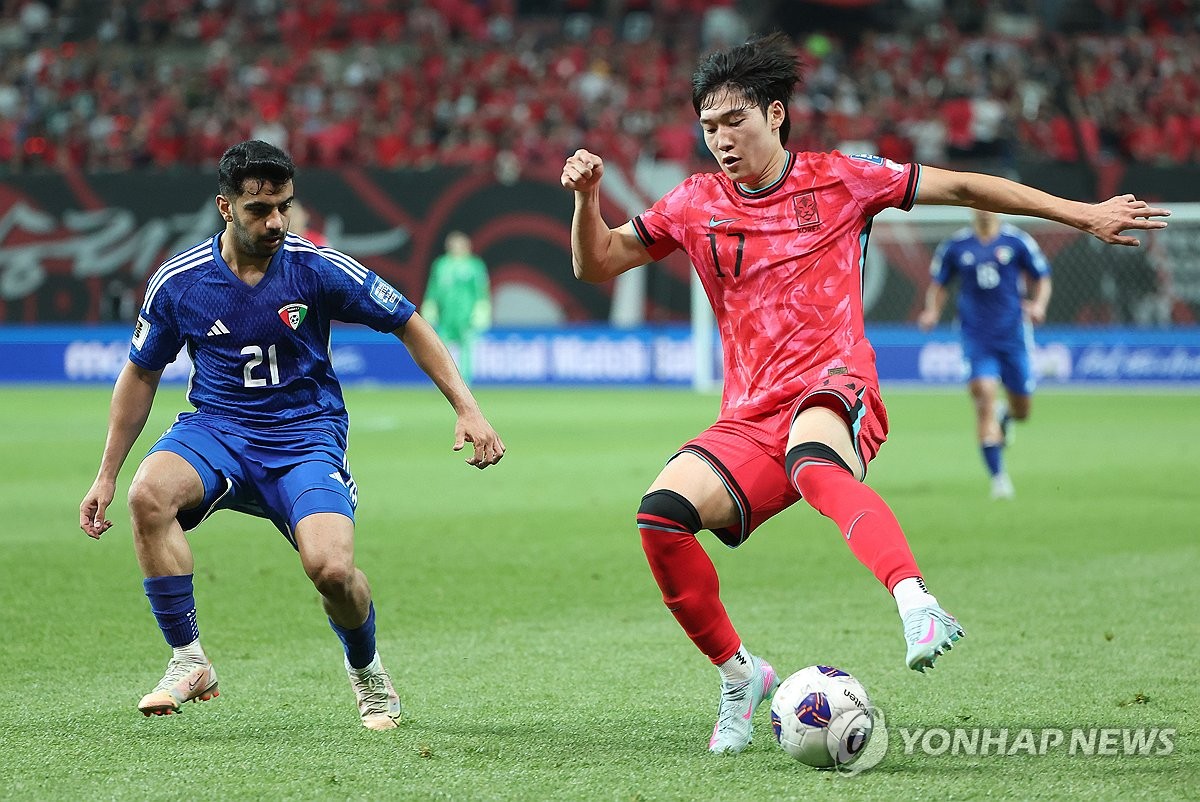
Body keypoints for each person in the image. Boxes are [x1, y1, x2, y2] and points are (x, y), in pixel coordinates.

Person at [559, 32, 1168, 755]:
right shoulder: (694, 202)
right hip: (750, 414)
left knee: (815, 461)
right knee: (659, 518)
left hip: (835, 380)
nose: (721, 139)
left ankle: (918, 605)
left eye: (735, 122)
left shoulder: (844, 178)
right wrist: (588, 198)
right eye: (709, 127)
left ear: (776, 114)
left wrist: (1085, 213)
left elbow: (968, 187)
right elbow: (596, 264)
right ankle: (739, 677)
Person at [78, 140, 506, 730]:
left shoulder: (317, 267)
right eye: (260, 210)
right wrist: (106, 473)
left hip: (304, 439)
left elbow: (407, 320)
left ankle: (368, 671)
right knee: (147, 494)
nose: (276, 220)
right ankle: (188, 660)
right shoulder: (180, 282)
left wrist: (468, 408)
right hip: (217, 429)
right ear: (225, 208)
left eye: (284, 205)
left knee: (331, 570)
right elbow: (142, 374)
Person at [918, 210, 1052, 500]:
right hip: (975, 336)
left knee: (1023, 411)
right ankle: (999, 478)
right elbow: (939, 285)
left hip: (1013, 336)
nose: (984, 208)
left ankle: (1007, 416)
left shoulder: (1017, 242)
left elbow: (1042, 278)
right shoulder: (955, 246)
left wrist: (1039, 305)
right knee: (984, 396)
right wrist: (932, 311)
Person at [421, 231, 492, 384]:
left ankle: (464, 382)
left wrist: (482, 309)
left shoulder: (474, 265)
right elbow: (433, 288)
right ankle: (443, 381)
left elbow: (481, 290)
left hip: (466, 315)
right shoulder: (441, 265)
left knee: (466, 348)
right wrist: (430, 306)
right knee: (440, 348)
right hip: (445, 315)